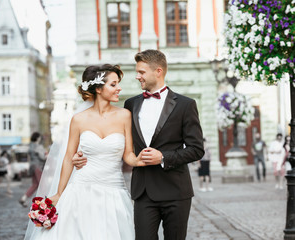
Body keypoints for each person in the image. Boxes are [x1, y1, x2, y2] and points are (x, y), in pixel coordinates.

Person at [73, 49, 204, 239]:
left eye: (141, 72)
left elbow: (196, 149)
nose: (137, 77)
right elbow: (114, 140)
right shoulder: (131, 105)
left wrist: (164, 157)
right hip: (143, 193)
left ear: (158, 71)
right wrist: (82, 155)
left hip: (175, 191)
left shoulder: (186, 105)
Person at [25, 64, 146, 240]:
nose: (119, 88)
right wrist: (59, 193)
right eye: (113, 84)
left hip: (113, 191)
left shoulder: (124, 115)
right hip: (81, 190)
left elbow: (128, 154)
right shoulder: (79, 120)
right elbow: (68, 157)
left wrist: (138, 160)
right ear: (98, 88)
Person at [19, 132, 46, 207]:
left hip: (32, 167)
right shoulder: (38, 147)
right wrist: (47, 156)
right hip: (38, 167)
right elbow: (42, 157)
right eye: (39, 137)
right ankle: (42, 202)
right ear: (38, 138)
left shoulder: (30, 146)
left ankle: (23, 198)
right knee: (42, 185)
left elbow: (29, 158)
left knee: (35, 185)